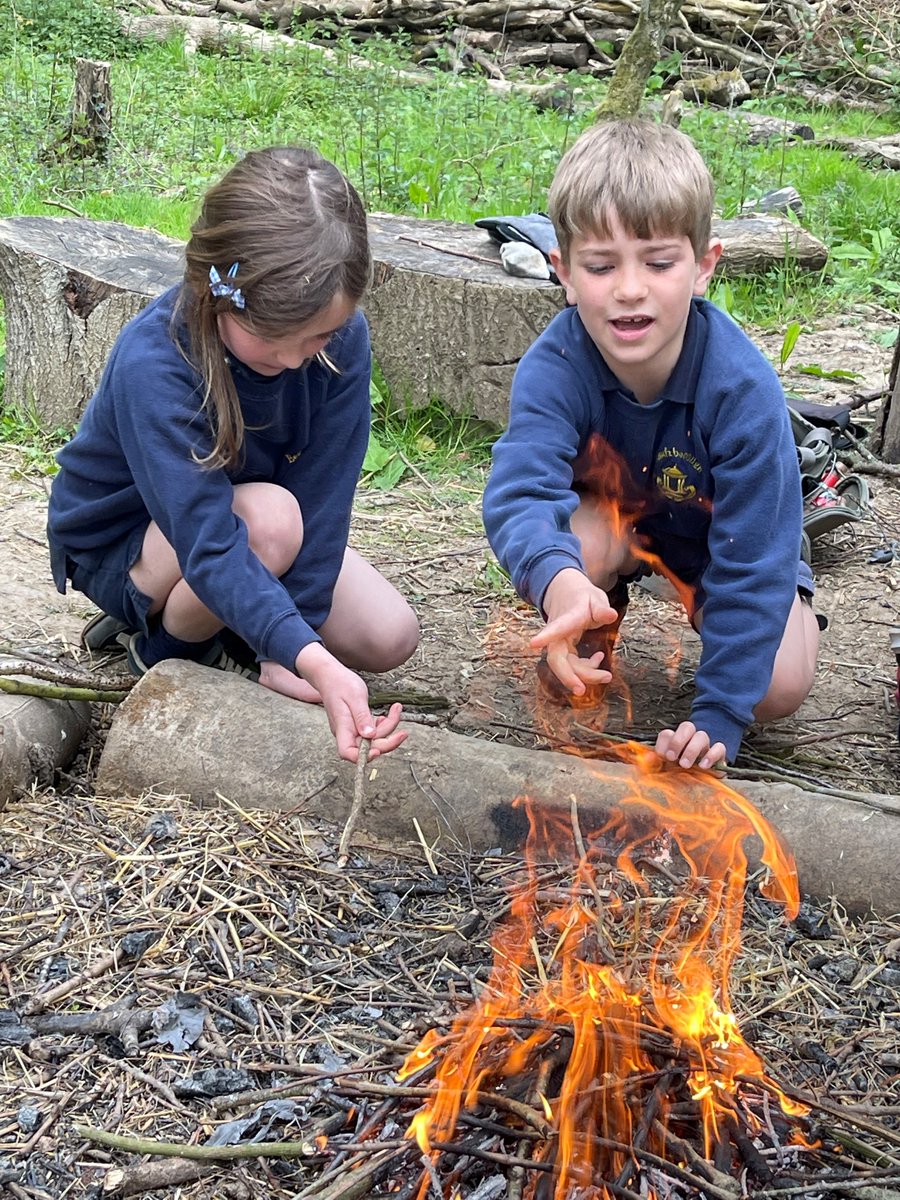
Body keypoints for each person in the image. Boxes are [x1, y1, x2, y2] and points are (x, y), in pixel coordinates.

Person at [48, 146, 419, 764]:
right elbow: (210, 540)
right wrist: (308, 655)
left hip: (247, 521)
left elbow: (325, 500)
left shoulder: (339, 338)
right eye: (276, 339)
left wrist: (284, 652)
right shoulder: (156, 363)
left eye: (320, 336)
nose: (301, 359)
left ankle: (231, 628)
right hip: (131, 541)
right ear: (220, 295)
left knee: (388, 637)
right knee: (270, 523)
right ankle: (166, 648)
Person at [482, 118, 820, 771]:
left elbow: (753, 559)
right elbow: (522, 492)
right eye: (602, 266)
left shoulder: (742, 389)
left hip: (729, 546)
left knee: (778, 687)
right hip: (611, 524)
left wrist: (721, 709)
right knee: (578, 552)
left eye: (659, 262)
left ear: (703, 267)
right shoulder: (554, 365)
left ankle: (753, 635)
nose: (630, 288)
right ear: (564, 273)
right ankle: (592, 615)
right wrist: (558, 583)